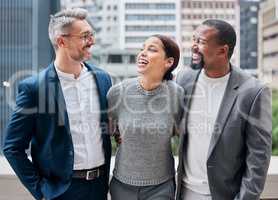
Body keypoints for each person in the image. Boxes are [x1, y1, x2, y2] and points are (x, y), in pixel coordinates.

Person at [3, 8, 112, 200]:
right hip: (61, 192)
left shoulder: (103, 79)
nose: (92, 41)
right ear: (62, 41)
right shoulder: (34, 88)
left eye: (91, 35)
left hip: (99, 188)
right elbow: (12, 147)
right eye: (85, 36)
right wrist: (41, 191)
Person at [176, 19, 272, 200]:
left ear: (223, 50)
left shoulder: (253, 92)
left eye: (201, 42)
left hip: (225, 195)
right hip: (183, 192)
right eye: (194, 39)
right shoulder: (184, 78)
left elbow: (258, 158)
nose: (194, 46)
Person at [107, 35, 184, 200]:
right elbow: (108, 130)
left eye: (151, 49)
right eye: (142, 48)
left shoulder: (176, 95)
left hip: (161, 187)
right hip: (122, 186)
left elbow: (183, 136)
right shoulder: (118, 92)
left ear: (168, 62)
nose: (142, 53)